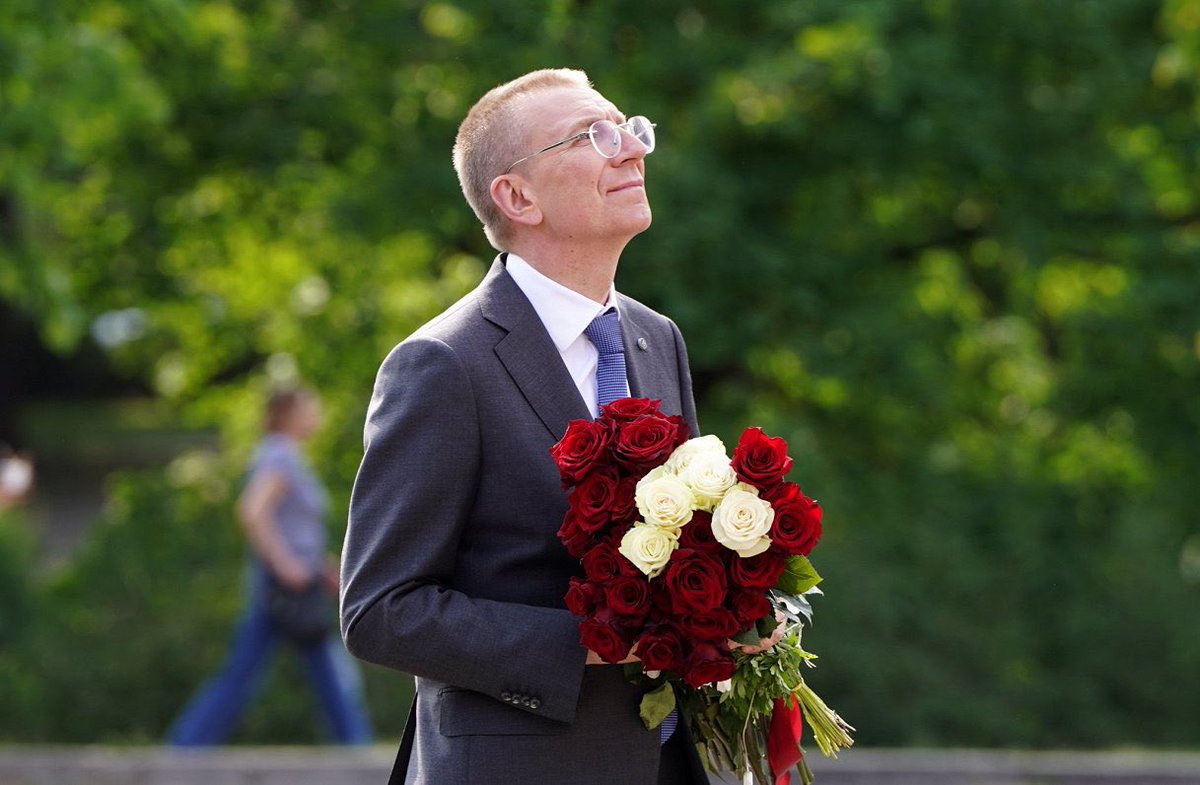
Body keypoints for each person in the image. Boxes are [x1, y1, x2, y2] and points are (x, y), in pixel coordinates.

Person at [340, 69, 708, 784]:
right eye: (593, 135)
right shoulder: (443, 364)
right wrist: (594, 642)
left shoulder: (656, 337)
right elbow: (381, 609)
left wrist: (739, 604)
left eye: (629, 126)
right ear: (517, 195)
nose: (630, 148)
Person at [168, 387, 373, 746]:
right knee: (261, 670)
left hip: (294, 581)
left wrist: (321, 569)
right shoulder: (281, 457)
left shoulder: (286, 455)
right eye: (310, 407)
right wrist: (286, 566)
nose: (316, 414)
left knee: (267, 668)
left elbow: (291, 527)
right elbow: (252, 512)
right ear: (289, 412)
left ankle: (187, 745)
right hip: (282, 586)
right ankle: (355, 746)